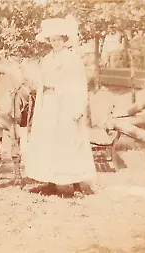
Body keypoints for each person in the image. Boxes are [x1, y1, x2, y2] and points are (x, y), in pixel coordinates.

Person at [24, 18, 96, 198]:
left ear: (65, 40)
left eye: (58, 39)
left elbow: (79, 84)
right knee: (48, 143)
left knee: (69, 141)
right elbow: (41, 83)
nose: (55, 43)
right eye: (52, 39)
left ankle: (76, 183)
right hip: (48, 104)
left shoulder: (73, 59)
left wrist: (79, 107)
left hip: (67, 105)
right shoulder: (47, 60)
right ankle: (50, 182)